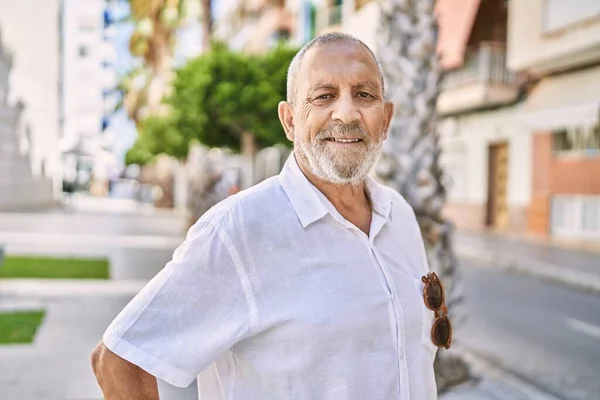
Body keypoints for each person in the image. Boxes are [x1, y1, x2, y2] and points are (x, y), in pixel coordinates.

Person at [91, 32, 442, 400]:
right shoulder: (238, 231)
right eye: (323, 96)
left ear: (385, 119)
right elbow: (117, 359)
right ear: (289, 121)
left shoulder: (398, 216)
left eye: (364, 95)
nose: (346, 112)